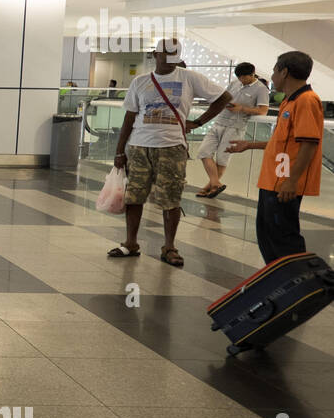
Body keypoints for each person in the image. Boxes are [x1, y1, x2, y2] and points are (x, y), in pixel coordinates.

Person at [108, 39, 233, 266]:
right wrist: (119, 151)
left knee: (171, 199)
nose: (169, 59)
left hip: (172, 147)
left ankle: (169, 247)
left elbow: (224, 98)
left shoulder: (189, 77)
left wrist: (198, 122)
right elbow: (129, 116)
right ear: (155, 54)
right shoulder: (141, 81)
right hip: (139, 145)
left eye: (173, 55)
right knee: (134, 197)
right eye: (165, 54)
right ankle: (130, 243)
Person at [226, 51, 323, 263]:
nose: (271, 76)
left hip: (285, 184)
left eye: (274, 71)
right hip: (273, 180)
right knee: (268, 235)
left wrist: (291, 181)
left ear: (285, 71)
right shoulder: (290, 101)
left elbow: (309, 144)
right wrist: (250, 145)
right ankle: (278, 283)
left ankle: (297, 285)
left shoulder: (307, 100)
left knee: (284, 239)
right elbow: (285, 141)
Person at [195, 61, 271, 198]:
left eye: (244, 77)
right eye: (239, 77)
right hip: (219, 121)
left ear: (252, 74)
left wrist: (241, 108)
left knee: (222, 158)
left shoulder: (261, 89)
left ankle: (210, 187)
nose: (241, 80)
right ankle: (215, 183)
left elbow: (263, 111)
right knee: (203, 152)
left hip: (236, 126)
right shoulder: (235, 83)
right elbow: (225, 97)